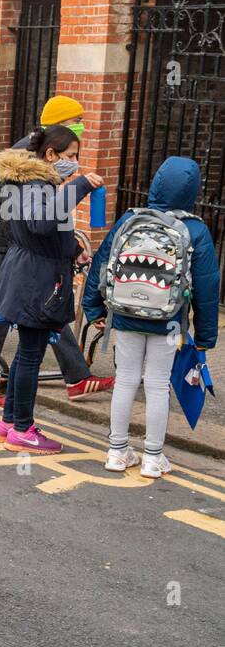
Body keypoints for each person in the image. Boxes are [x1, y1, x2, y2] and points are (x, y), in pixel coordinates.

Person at [0, 101, 112, 406]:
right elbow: (37, 217)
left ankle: (77, 377)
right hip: (8, 244)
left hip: (23, 245)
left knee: (49, 307)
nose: (82, 126)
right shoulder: (29, 159)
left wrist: (71, 248)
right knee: (1, 310)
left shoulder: (42, 155)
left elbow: (46, 213)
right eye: (77, 121)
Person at [83, 156, 219, 479]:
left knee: (126, 379)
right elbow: (208, 286)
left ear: (157, 183)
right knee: (158, 384)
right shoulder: (195, 230)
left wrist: (94, 309)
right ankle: (152, 458)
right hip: (169, 322)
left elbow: (102, 264)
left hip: (126, 316)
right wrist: (205, 337)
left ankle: (117, 452)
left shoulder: (130, 220)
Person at [0, 125, 101, 454]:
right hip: (36, 279)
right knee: (30, 357)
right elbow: (41, 223)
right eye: (70, 156)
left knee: (26, 353)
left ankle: (9, 422)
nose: (75, 163)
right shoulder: (39, 185)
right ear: (50, 155)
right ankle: (23, 428)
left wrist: (70, 251)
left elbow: (37, 232)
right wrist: (79, 186)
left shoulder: (22, 182)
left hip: (26, 272)